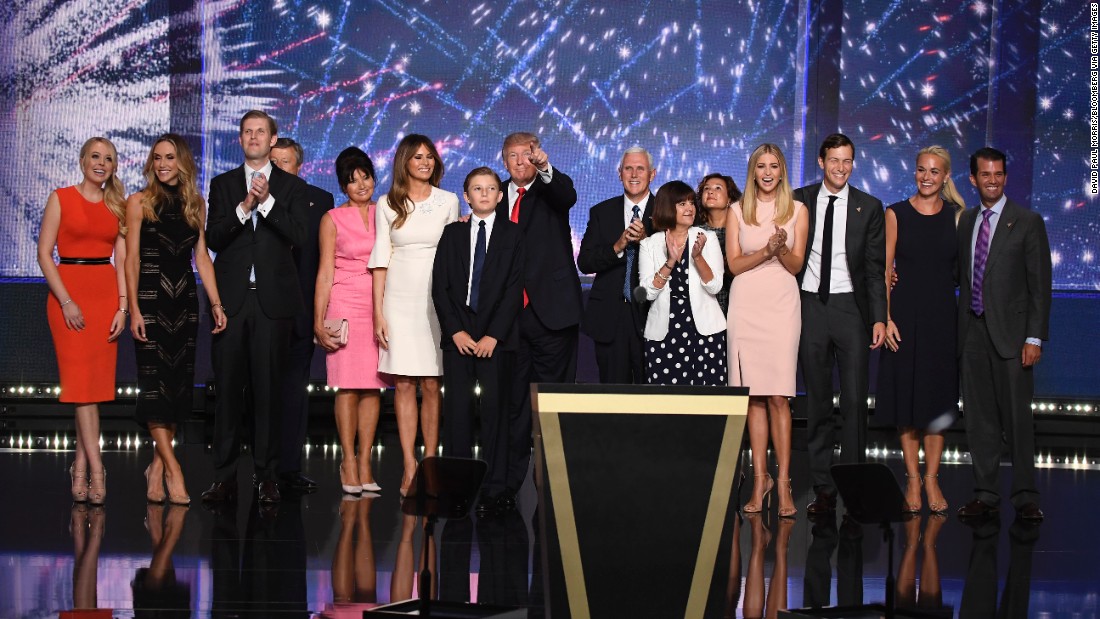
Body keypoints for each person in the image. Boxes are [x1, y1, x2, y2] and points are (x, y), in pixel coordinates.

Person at [203, 110, 308, 505]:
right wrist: (245, 206)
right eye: (247, 131)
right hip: (230, 302)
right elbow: (214, 237)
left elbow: (299, 235)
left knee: (269, 392)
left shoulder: (290, 186)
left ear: (273, 138)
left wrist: (267, 205)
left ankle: (268, 476)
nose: (253, 137)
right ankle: (225, 477)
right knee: (228, 391)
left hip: (272, 304)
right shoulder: (224, 184)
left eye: (260, 131)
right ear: (241, 139)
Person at [124, 133, 227, 506]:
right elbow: (131, 260)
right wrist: (133, 309)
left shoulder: (194, 203)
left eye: (169, 157)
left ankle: (155, 470)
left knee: (176, 389)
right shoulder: (137, 202)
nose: (162, 163)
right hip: (150, 299)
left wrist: (215, 303)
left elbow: (202, 258)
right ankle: (173, 468)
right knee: (153, 387)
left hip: (184, 301)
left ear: (182, 161)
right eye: (157, 157)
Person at [955, 147, 1051, 523]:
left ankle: (1026, 495)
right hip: (972, 334)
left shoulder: (1027, 221)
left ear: (1005, 177)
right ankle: (986, 493)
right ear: (974, 179)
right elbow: (961, 275)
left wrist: (1034, 338)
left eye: (998, 174)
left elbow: (1039, 285)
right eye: (985, 174)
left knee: (1017, 421)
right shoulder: (967, 222)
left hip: (1013, 338)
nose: (992, 180)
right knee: (979, 421)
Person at [794, 133, 887, 514]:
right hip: (810, 306)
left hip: (852, 311)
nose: (841, 167)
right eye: (834, 160)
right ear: (821, 162)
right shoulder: (800, 200)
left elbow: (875, 269)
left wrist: (879, 317)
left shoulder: (869, 206)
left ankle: (854, 486)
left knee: (853, 402)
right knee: (817, 402)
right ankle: (823, 488)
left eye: (847, 161)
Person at [39, 136, 128, 506]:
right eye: (95, 156)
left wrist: (123, 307)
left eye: (108, 158)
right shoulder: (61, 198)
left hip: (105, 297)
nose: (101, 163)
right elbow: (45, 254)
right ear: (81, 160)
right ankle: (97, 467)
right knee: (80, 388)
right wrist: (66, 301)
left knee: (90, 390)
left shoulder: (117, 205)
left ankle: (79, 465)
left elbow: (121, 261)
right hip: (68, 298)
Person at [876, 145, 965, 514]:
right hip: (904, 318)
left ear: (945, 177)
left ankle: (932, 479)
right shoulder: (895, 213)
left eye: (934, 171)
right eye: (921, 170)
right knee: (906, 401)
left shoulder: (959, 217)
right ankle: (912, 479)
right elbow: (884, 269)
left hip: (943, 319)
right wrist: (888, 316)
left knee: (935, 402)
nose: (926, 177)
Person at [495, 132, 582, 510]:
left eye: (526, 155)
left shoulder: (550, 188)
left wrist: (545, 167)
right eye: (512, 156)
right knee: (512, 405)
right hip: (508, 319)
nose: (519, 162)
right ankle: (505, 486)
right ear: (503, 160)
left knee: (553, 402)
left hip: (552, 313)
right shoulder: (494, 195)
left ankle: (552, 482)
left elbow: (567, 196)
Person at [369, 134, 459, 496]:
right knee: (404, 383)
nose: (425, 162)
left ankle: (431, 463)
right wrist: (378, 313)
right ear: (404, 161)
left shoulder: (449, 201)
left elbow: (456, 254)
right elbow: (380, 260)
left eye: (430, 157)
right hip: (399, 300)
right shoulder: (387, 203)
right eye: (418, 157)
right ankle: (409, 464)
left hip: (438, 301)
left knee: (432, 384)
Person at [432, 167, 524, 516]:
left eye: (490, 188)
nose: (484, 193)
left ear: (500, 196)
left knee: (496, 413)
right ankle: (456, 487)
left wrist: (493, 335)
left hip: (495, 337)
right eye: (476, 189)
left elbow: (514, 289)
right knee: (456, 412)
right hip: (459, 335)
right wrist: (455, 330)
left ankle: (495, 488)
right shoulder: (452, 234)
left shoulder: (514, 235)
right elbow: (440, 286)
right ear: (466, 196)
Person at [726, 144, 808, 517]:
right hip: (746, 306)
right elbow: (733, 265)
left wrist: (780, 250)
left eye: (774, 166)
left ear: (782, 171)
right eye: (762, 166)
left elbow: (795, 265)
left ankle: (785, 482)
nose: (768, 172)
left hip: (781, 306)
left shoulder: (797, 210)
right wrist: (765, 251)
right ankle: (761, 481)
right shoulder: (735, 210)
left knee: (778, 396)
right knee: (754, 397)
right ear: (753, 171)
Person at [315, 147, 388, 495]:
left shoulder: (387, 211)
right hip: (343, 302)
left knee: (374, 385)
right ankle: (347, 459)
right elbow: (325, 270)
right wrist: (318, 319)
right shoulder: (331, 218)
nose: (361, 184)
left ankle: (365, 460)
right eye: (352, 179)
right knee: (347, 386)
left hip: (379, 303)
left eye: (365, 176)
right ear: (343, 185)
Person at [270, 137, 335, 493]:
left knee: (296, 391)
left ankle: (290, 469)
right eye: (273, 161)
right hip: (261, 311)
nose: (278, 168)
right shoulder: (253, 198)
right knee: (263, 390)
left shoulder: (320, 202)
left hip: (301, 312)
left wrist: (319, 313)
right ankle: (264, 468)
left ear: (300, 166)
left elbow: (322, 262)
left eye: (285, 162)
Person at [577, 146, 656, 384]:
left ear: (652, 174)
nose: (634, 174)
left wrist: (645, 243)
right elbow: (585, 262)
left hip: (652, 314)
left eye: (640, 168)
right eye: (628, 168)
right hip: (610, 316)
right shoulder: (601, 212)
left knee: (652, 396)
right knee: (612, 397)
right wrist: (617, 247)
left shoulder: (666, 210)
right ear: (619, 173)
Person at [638, 180, 726, 386]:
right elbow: (647, 293)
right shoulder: (650, 244)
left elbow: (715, 286)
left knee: (707, 402)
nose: (690, 208)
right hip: (664, 333)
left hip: (705, 333)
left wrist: (697, 257)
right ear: (668, 207)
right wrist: (670, 261)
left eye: (691, 203)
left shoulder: (707, 238)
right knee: (666, 404)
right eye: (682, 204)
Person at [697, 173, 742, 315]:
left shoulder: (743, 232)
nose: (710, 191)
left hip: (736, 304)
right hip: (704, 307)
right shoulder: (695, 233)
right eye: (706, 188)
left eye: (718, 188)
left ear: (729, 198)